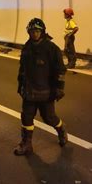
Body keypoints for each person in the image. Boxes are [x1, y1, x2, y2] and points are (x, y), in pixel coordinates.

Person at [14, 18, 67, 156]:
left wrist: (59, 88)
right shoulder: (27, 47)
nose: (35, 34)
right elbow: (23, 69)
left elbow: (60, 70)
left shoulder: (51, 48)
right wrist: (21, 85)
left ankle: (61, 130)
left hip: (46, 92)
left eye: (37, 31)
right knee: (26, 117)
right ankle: (26, 144)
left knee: (49, 118)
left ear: (42, 31)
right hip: (29, 92)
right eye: (32, 31)